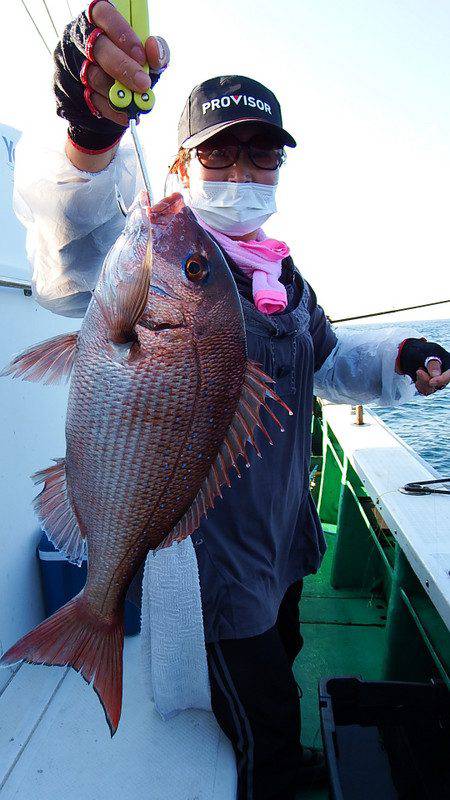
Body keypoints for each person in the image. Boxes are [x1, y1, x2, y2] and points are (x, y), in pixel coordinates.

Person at [13, 3, 450, 798]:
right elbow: (68, 254)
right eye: (220, 155)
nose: (243, 174)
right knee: (264, 716)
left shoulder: (282, 275)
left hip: (283, 539)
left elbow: (325, 357)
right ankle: (269, 774)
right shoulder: (165, 257)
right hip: (212, 561)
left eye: (261, 157)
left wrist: (405, 355)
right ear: (181, 167)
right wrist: (90, 133)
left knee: (281, 648)